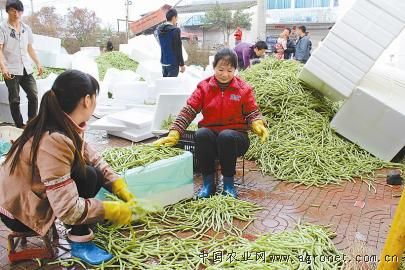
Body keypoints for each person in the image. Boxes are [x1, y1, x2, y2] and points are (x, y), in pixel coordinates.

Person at [0, 70, 136, 265]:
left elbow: (93, 157)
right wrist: (110, 209)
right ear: (87, 100)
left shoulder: (61, 122)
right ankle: (79, 241)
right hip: (19, 213)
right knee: (88, 175)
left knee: (92, 171)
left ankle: (81, 222)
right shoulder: (54, 139)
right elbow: (68, 209)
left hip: (22, 199)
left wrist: (119, 186)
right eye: (95, 97)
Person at [154, 48, 269, 199]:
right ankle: (208, 184)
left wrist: (257, 123)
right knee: (201, 134)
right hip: (212, 138)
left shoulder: (243, 89)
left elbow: (252, 112)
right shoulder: (204, 87)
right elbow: (189, 110)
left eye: (230, 70)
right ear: (214, 67)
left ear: (235, 70)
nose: (225, 74)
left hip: (236, 139)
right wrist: (175, 131)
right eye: (220, 69)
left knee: (226, 136)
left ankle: (228, 184)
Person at [0, 0, 43, 128]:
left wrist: (38, 63)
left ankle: (32, 122)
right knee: (14, 99)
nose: (16, 14)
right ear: (7, 11)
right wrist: (3, 67)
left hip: (26, 68)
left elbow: (30, 48)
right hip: (11, 69)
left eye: (19, 11)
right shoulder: (2, 28)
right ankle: (19, 125)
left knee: (33, 95)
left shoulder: (26, 28)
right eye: (13, 10)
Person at [157, 8, 185, 77]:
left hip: (164, 62)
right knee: (172, 86)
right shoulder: (175, 30)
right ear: (173, 17)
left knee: (165, 85)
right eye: (176, 18)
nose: (177, 20)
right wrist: (182, 64)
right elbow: (178, 49)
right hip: (173, 63)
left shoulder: (159, 29)